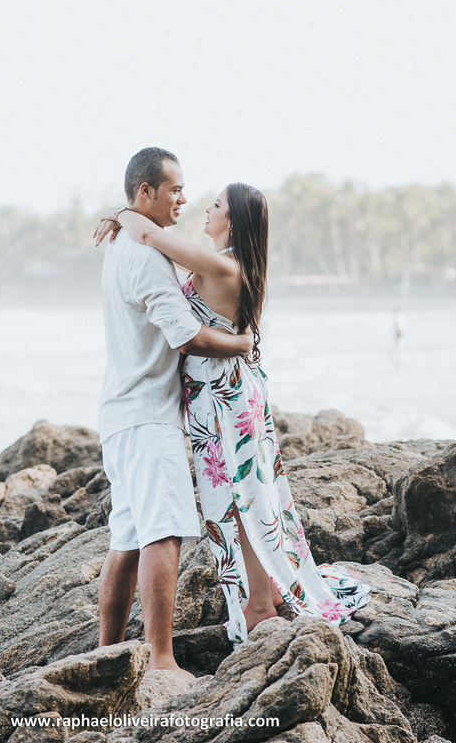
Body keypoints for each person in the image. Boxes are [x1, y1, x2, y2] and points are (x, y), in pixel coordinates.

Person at [95, 181, 371, 645]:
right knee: (251, 494)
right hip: (222, 393)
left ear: (234, 220)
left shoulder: (223, 264)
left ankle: (261, 603)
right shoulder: (235, 263)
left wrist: (124, 216)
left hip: (222, 397)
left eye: (217, 204)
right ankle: (268, 591)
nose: (205, 207)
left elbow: (153, 239)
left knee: (244, 499)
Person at [95, 147, 254, 677]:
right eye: (175, 190)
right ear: (147, 193)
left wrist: (123, 216)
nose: (184, 199)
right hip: (148, 418)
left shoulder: (121, 242)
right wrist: (240, 345)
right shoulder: (146, 255)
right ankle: (161, 659)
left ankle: (108, 651)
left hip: (119, 414)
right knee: (161, 533)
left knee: (127, 536)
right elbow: (185, 337)